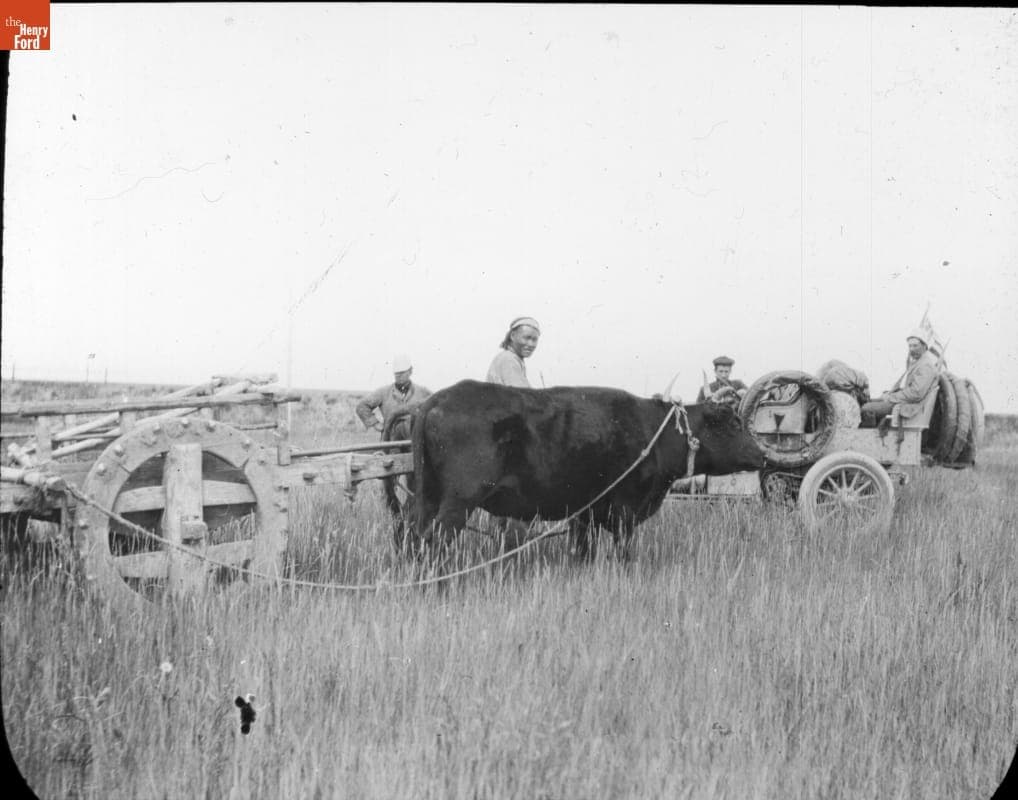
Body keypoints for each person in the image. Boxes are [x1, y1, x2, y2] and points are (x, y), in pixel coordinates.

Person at [859, 329, 940, 428]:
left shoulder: (926, 366)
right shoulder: (918, 363)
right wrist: (888, 394)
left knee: (866, 409)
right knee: (867, 401)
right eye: (910, 346)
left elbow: (916, 393)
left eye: (915, 346)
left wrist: (891, 397)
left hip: (910, 406)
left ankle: (870, 439)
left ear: (924, 346)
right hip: (904, 400)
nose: (912, 349)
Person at [355, 354, 432, 435]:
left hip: (414, 439)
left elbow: (437, 406)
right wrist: (375, 423)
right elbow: (362, 406)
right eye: (397, 373)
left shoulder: (423, 392)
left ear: (410, 371)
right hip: (391, 440)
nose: (399, 376)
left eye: (402, 372)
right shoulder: (383, 392)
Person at [487, 316, 541, 388]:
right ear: (512, 336)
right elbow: (522, 394)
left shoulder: (513, 359)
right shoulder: (508, 359)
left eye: (534, 340)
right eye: (526, 338)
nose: (530, 344)